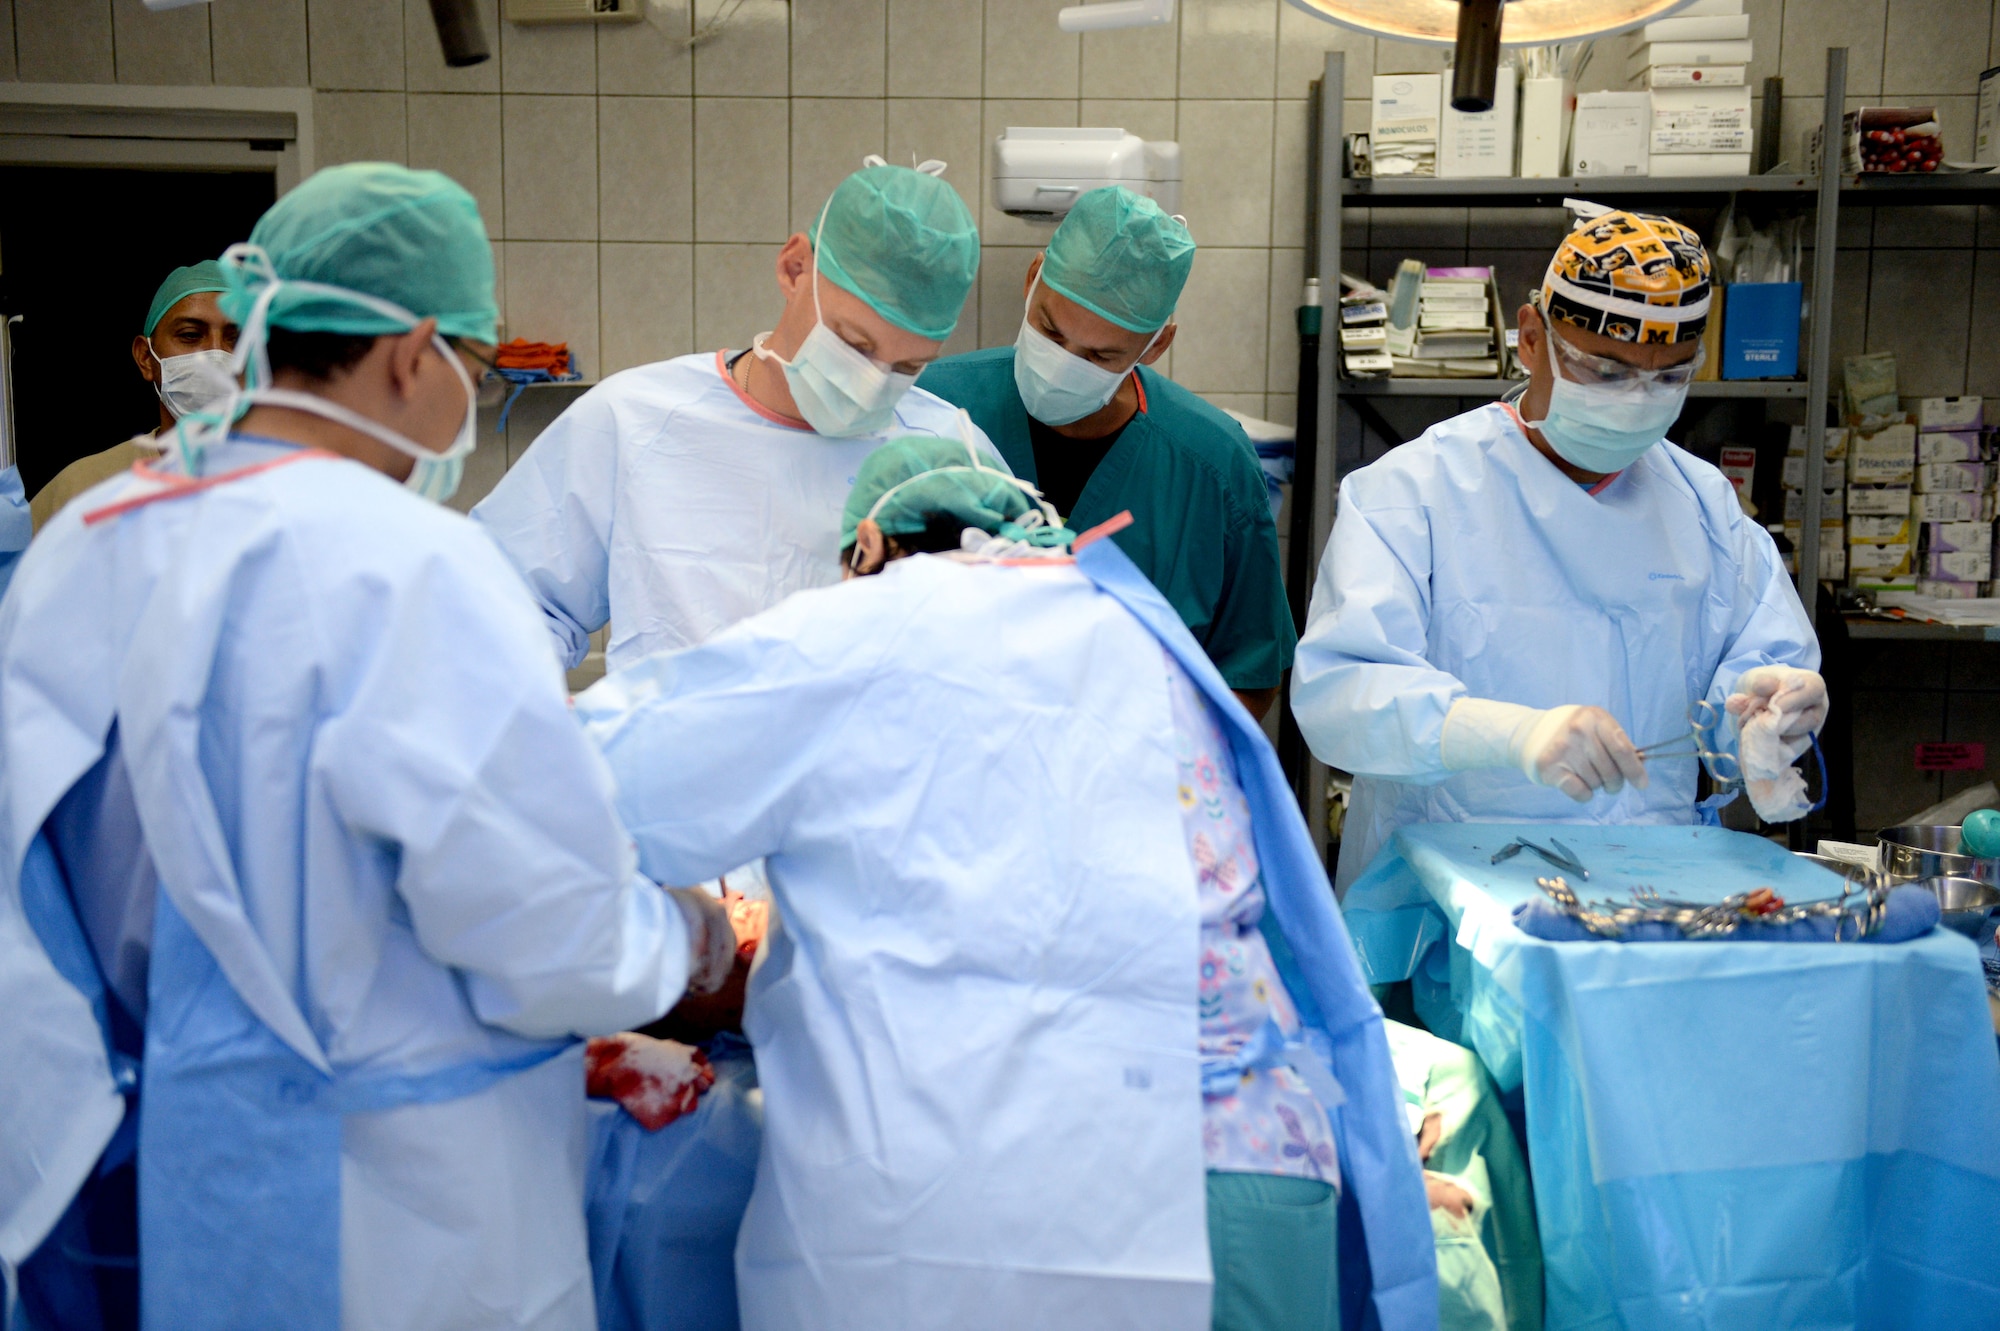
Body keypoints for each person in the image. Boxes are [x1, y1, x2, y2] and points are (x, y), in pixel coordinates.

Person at [0, 163, 731, 1331]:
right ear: (415, 353)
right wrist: (683, 938)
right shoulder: (411, 566)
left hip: (144, 1174)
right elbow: (549, 937)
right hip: (397, 1211)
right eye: (477, 372)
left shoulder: (88, 537)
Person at [573, 434, 1436, 1331]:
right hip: (1250, 1182)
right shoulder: (1148, 646)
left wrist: (689, 939)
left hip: (979, 1217)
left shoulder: (858, 631)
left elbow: (551, 787)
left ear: (867, 547)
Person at [1291, 206, 1826, 891]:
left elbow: (1757, 670)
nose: (1637, 399)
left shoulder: (1705, 507)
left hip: (1651, 890)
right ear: (1532, 336)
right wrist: (1511, 735)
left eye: (1668, 378)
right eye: (1606, 370)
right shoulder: (1413, 492)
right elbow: (1341, 698)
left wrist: (1760, 714)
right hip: (1448, 899)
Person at [470, 160, 987, 676]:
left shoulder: (951, 457)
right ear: (794, 269)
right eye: (854, 344)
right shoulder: (634, 422)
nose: (873, 383)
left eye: (908, 366)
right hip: (681, 754)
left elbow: (1001, 646)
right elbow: (504, 607)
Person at [917, 187, 1295, 719]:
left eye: (1099, 355)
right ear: (1032, 282)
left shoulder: (1212, 465)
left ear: (1155, 346)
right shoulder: (932, 409)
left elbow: (1247, 673)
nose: (1063, 362)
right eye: (1050, 329)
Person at [27, 262, 240, 532]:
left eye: (237, 338)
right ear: (146, 358)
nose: (216, 354)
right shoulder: (84, 489)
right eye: (190, 335)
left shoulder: (289, 482)